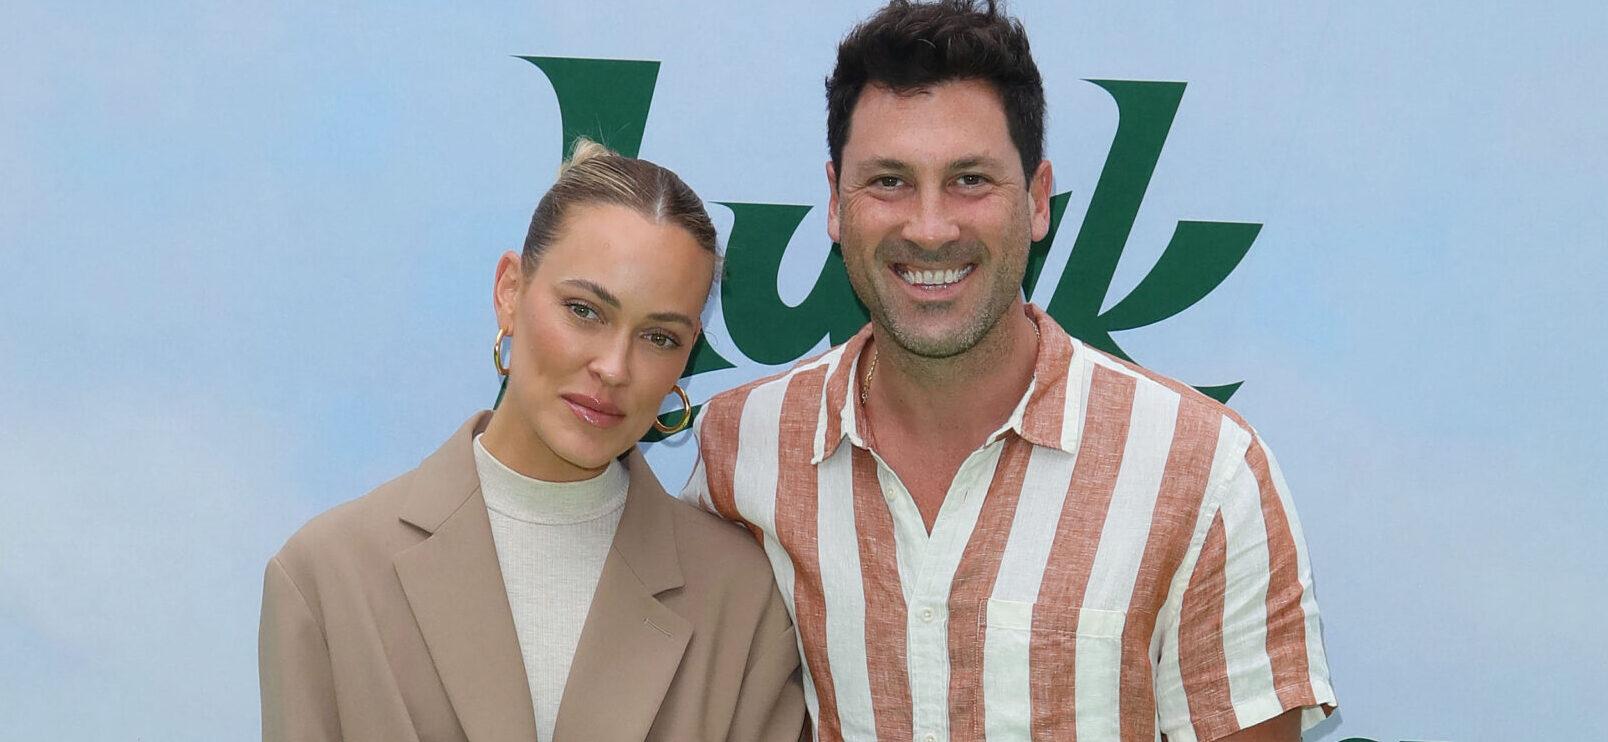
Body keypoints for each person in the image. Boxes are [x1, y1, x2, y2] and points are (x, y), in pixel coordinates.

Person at [681, 2, 1337, 740]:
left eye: (969, 180)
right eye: (889, 182)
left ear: (1036, 200)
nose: (930, 228)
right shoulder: (740, 452)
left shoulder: (1202, 470)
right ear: (835, 202)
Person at [259, 139, 807, 742]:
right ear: (510, 292)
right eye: (585, 311)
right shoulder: (328, 576)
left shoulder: (743, 602)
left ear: (688, 355)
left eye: (659, 338)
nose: (614, 367)